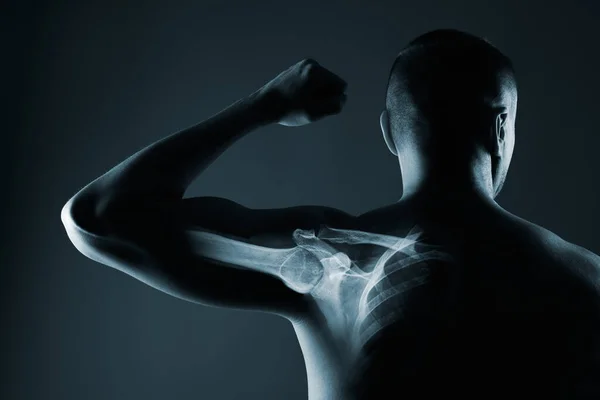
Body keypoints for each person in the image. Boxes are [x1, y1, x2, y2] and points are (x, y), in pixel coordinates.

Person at [61, 29, 600, 399]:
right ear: (500, 128)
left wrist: (265, 104)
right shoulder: (588, 278)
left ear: (389, 133)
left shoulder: (329, 257)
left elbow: (98, 217)